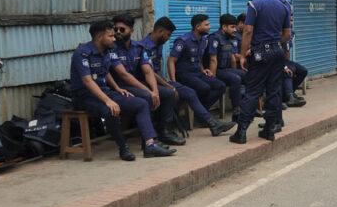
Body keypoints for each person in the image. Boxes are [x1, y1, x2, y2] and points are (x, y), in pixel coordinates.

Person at [69, 21, 175, 160]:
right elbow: (87, 81)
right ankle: (122, 146)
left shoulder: (107, 51)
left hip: (105, 92)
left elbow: (105, 72)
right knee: (111, 110)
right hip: (85, 96)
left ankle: (150, 145)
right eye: (111, 36)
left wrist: (118, 89)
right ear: (100, 37)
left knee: (141, 104)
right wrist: (108, 101)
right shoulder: (82, 53)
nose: (114, 39)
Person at [141, 18, 236, 137]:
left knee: (204, 89)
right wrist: (171, 83)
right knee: (195, 90)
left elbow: (157, 69)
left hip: (163, 80)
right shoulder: (144, 47)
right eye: (168, 35)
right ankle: (211, 123)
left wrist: (169, 81)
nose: (169, 38)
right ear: (160, 32)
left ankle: (210, 122)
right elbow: (150, 72)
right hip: (150, 83)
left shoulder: (158, 44)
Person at [231, 0, 292, 145]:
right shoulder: (284, 6)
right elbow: (287, 34)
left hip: (260, 53)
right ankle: (270, 129)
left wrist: (243, 55)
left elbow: (248, 31)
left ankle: (241, 131)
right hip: (278, 52)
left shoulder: (254, 4)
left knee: (253, 90)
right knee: (273, 90)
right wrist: (274, 45)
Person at [109, 16, 184, 146]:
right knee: (147, 96)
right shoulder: (111, 49)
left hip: (138, 85)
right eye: (115, 29)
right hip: (120, 87)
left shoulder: (138, 47)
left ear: (131, 30)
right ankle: (149, 140)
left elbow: (148, 71)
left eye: (122, 29)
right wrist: (149, 92)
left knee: (168, 93)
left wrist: (155, 90)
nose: (118, 32)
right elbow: (124, 75)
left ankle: (165, 131)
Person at [169, 14, 227, 114]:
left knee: (220, 85)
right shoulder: (183, 41)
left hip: (197, 73)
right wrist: (174, 82)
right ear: (198, 27)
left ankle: (201, 111)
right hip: (184, 74)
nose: (210, 27)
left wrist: (203, 69)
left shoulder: (204, 40)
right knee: (205, 88)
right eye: (207, 25)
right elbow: (171, 61)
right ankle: (202, 114)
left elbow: (198, 57)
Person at [270, 0, 307, 108]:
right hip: (268, 53)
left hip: (278, 51)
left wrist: (286, 62)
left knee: (300, 70)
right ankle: (287, 96)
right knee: (286, 69)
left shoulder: (284, 4)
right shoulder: (259, 1)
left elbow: (286, 46)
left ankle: (288, 94)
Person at [206, 14, 245, 123]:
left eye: (235, 27)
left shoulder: (230, 37)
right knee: (235, 79)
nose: (235, 30)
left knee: (247, 75)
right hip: (216, 70)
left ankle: (247, 107)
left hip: (226, 69)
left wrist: (237, 70)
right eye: (232, 27)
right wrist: (212, 77)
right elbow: (213, 59)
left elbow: (232, 57)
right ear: (224, 27)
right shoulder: (214, 38)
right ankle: (237, 110)